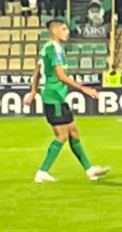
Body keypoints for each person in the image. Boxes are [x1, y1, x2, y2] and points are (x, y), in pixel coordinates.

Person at [32, 16, 106, 183]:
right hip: (53, 97)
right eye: (64, 29)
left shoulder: (47, 47)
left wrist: (33, 91)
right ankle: (42, 171)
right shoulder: (55, 50)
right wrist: (83, 88)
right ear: (55, 31)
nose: (67, 32)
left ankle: (89, 170)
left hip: (56, 96)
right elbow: (60, 75)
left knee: (73, 132)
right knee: (61, 135)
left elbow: (37, 71)